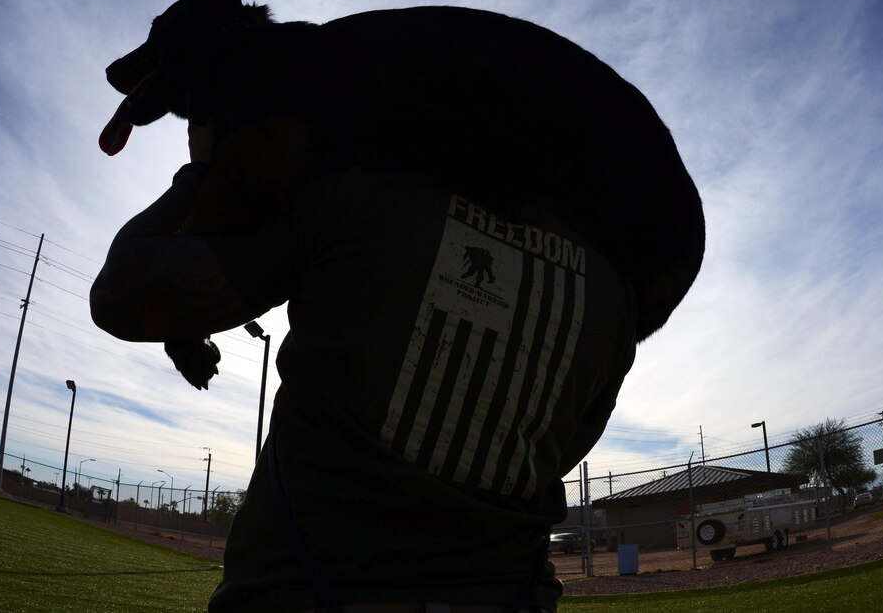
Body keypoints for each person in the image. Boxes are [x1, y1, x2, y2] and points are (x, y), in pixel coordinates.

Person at [91, 120, 638, 612]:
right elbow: (572, 442)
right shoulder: (609, 295)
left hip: (308, 589)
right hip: (513, 594)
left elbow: (120, 295)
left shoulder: (358, 198)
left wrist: (207, 168)